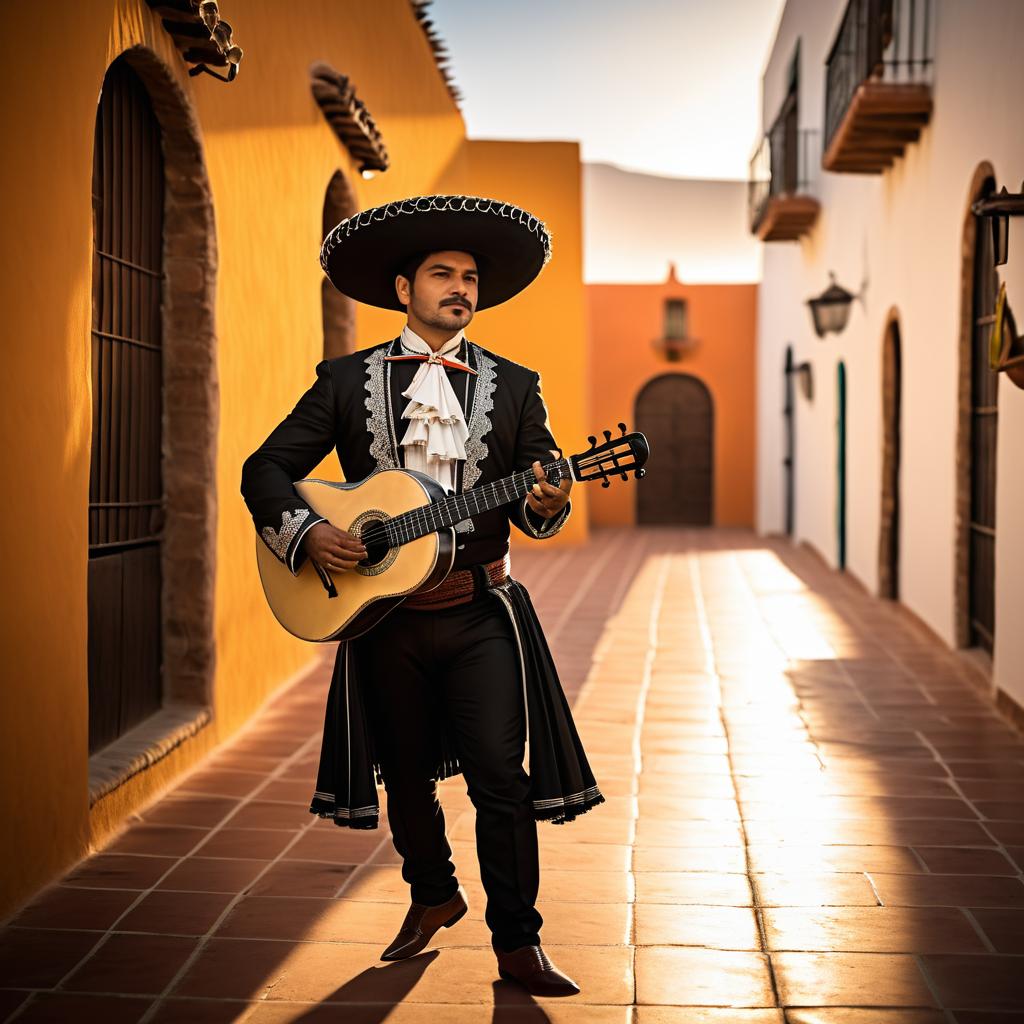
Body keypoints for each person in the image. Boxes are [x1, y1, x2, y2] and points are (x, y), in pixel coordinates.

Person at [241, 195, 602, 997]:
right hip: (381, 619)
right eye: (442, 274)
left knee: (499, 779)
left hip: (481, 611)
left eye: (470, 277)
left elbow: (538, 493)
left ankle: (519, 941)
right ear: (404, 287)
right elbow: (263, 470)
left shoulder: (515, 386)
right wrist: (307, 533)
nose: (460, 287)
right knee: (403, 774)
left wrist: (546, 503)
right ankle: (434, 893)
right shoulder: (344, 382)